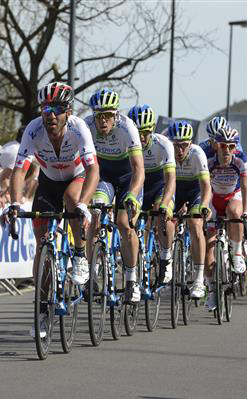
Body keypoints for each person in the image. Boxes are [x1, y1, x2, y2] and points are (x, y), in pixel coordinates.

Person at [4, 82, 99, 336]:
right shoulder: (34, 130)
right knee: (42, 243)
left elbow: (93, 170)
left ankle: (79, 254)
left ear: (68, 111)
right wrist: (14, 202)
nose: (51, 115)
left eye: (57, 109)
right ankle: (43, 310)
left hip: (75, 179)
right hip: (48, 183)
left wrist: (84, 205)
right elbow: (19, 170)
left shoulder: (79, 129)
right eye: (46, 108)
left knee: (71, 199)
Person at [85, 88, 144, 304]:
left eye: (108, 115)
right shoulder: (87, 125)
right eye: (99, 115)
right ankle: (92, 273)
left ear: (116, 115)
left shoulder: (127, 127)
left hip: (128, 178)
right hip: (104, 178)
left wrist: (133, 194)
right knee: (96, 213)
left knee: (124, 223)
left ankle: (131, 279)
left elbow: (139, 169)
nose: (103, 120)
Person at [203, 127, 247, 311]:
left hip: (234, 196)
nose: (227, 150)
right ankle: (211, 291)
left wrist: (246, 212)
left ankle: (237, 253)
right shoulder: (208, 160)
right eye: (223, 146)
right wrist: (204, 209)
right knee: (209, 249)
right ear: (217, 145)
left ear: (235, 147)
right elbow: (204, 187)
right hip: (214, 200)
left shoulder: (241, 160)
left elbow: (246, 189)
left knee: (235, 211)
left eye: (231, 146)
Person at [127, 104, 176, 283]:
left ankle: (165, 256)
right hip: (139, 187)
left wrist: (165, 204)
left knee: (162, 214)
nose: (141, 137)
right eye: (137, 132)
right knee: (130, 223)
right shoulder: (127, 143)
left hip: (160, 187)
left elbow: (171, 178)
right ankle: (137, 260)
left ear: (152, 130)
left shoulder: (163, 144)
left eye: (145, 132)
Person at [168, 120, 212, 300]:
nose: (179, 150)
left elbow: (206, 186)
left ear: (190, 144)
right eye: (176, 145)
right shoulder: (166, 152)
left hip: (195, 190)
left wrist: (204, 206)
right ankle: (166, 263)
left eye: (184, 145)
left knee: (195, 224)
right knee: (164, 219)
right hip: (174, 189)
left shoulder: (197, 154)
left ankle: (199, 279)